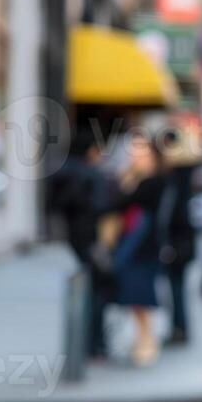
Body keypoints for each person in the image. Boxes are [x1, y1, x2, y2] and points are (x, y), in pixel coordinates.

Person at [50, 134, 116, 360]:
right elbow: (103, 206)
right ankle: (95, 342)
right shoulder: (93, 175)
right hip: (93, 238)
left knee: (87, 287)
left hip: (73, 237)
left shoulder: (62, 172)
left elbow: (53, 205)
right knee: (99, 290)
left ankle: (88, 343)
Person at [110, 132, 165, 367]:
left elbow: (123, 201)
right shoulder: (137, 178)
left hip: (143, 248)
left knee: (140, 296)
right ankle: (141, 339)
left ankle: (147, 341)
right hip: (132, 246)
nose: (134, 155)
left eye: (140, 151)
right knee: (134, 296)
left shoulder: (153, 182)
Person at [157, 127, 202, 346]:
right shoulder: (183, 177)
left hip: (178, 245)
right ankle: (178, 328)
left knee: (176, 290)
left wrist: (171, 245)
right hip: (182, 244)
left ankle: (179, 329)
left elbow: (176, 216)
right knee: (177, 290)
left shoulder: (177, 179)